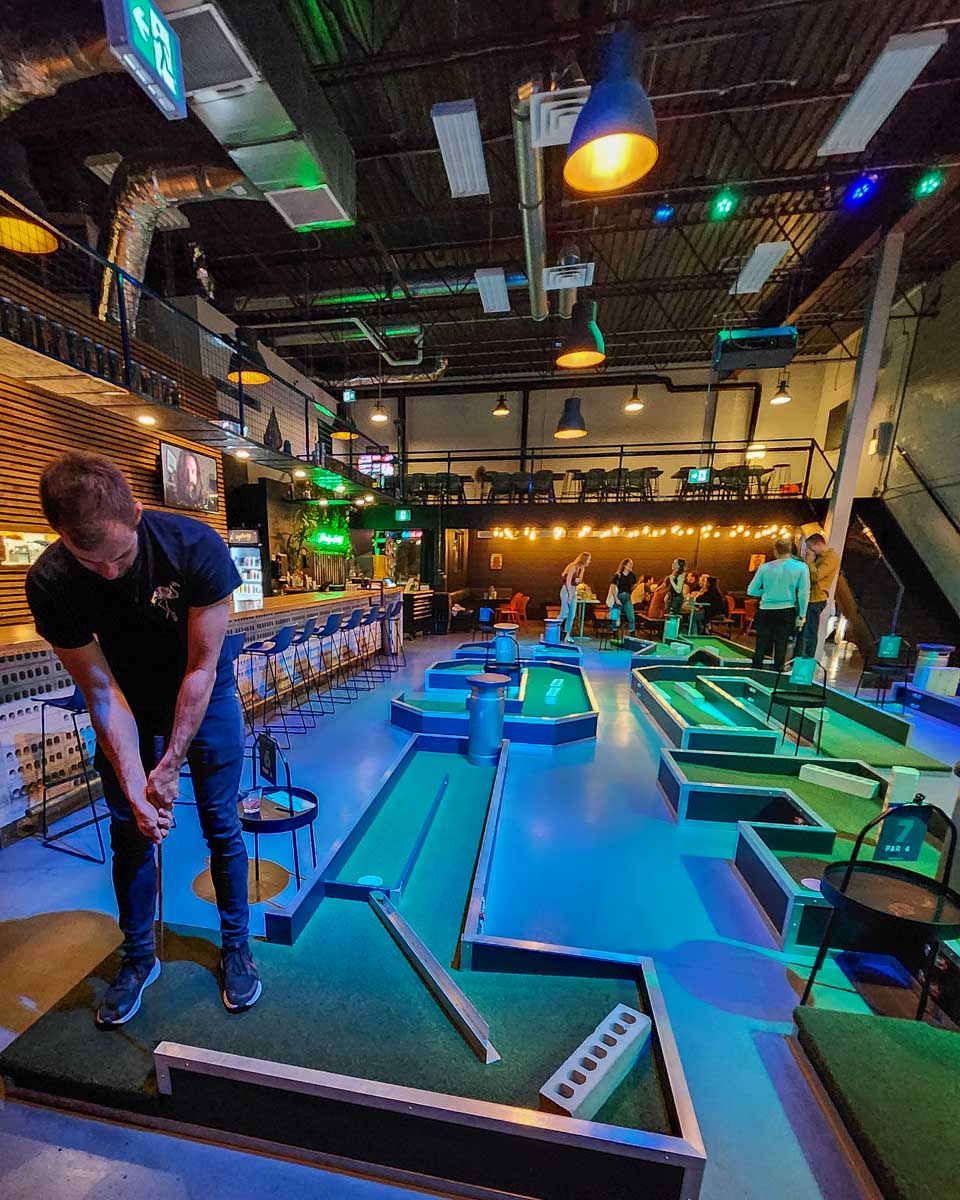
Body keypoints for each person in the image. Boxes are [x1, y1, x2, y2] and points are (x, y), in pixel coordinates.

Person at [25, 452, 260, 1028]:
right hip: (126, 698)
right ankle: (138, 957)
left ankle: (236, 946)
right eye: (91, 562)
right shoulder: (52, 581)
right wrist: (136, 784)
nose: (109, 573)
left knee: (221, 824)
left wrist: (171, 762)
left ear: (135, 514)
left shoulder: (193, 547)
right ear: (62, 538)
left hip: (205, 694)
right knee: (129, 833)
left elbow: (201, 669)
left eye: (120, 557)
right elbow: (101, 691)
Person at [747, 536, 810, 672]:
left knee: (760, 645)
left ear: (775, 551)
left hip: (765, 609)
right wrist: (802, 615)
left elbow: (751, 590)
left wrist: (765, 593)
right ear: (791, 550)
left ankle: (754, 672)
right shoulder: (801, 567)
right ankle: (777, 673)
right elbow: (804, 593)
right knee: (781, 645)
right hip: (787, 610)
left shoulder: (765, 567)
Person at [800, 532, 840, 658]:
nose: (810, 551)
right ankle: (799, 657)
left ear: (818, 544)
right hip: (809, 597)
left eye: (811, 548)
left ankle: (808, 659)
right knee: (803, 630)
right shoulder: (819, 557)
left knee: (810, 630)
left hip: (817, 598)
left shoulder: (831, 558)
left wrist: (810, 562)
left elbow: (816, 576)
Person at [559, 551, 590, 642]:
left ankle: (567, 634)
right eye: (589, 559)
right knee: (564, 613)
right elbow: (568, 581)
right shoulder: (573, 567)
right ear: (584, 560)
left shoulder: (582, 569)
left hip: (574, 591)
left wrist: (578, 580)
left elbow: (579, 581)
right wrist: (569, 595)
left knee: (571, 615)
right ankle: (553, 629)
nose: (589, 561)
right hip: (566, 590)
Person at [611, 557, 638, 635]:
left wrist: (635, 587)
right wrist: (616, 599)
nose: (631, 566)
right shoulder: (618, 575)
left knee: (631, 616)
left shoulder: (632, 576)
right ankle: (615, 632)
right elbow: (613, 588)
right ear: (625, 565)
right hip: (619, 596)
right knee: (615, 614)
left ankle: (632, 632)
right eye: (630, 564)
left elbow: (632, 587)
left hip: (627, 597)